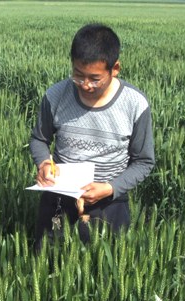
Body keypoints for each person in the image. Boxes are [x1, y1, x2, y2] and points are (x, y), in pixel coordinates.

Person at [30, 23, 155, 249]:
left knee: (105, 266)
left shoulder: (135, 104)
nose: (85, 85)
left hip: (109, 204)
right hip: (58, 200)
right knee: (49, 259)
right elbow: (39, 139)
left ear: (115, 68)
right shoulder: (55, 96)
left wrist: (110, 187)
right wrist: (43, 163)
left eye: (95, 78)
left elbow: (144, 161)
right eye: (78, 75)